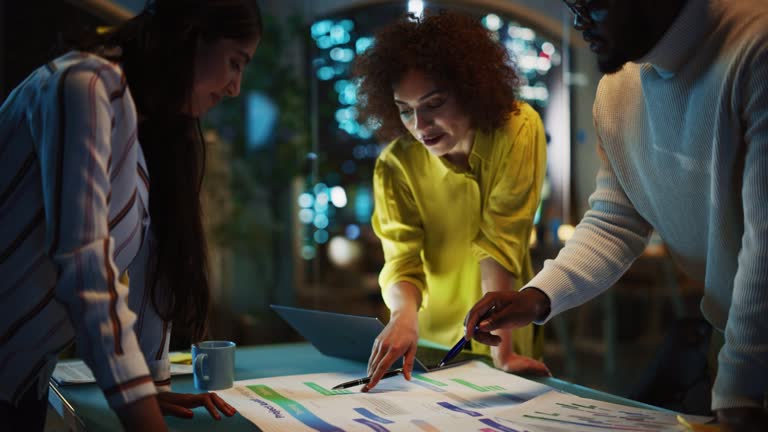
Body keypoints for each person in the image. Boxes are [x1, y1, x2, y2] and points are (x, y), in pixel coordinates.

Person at [465, 0, 768, 429]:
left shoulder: (755, 45)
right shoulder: (617, 87)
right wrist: (536, 297)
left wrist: (740, 391)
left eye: (592, 4)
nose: (577, 20)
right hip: (738, 346)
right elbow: (616, 219)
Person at [0, 0, 262, 430]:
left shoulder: (143, 125)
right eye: (235, 62)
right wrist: (140, 411)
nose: (235, 87)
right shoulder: (86, 84)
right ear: (192, 36)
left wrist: (152, 386)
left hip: (22, 384)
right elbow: (85, 266)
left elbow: (150, 264)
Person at [352, 11, 551, 392]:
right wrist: (403, 315)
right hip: (425, 344)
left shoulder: (517, 129)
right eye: (405, 110)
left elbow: (500, 242)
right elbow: (402, 262)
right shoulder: (395, 164)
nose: (420, 126)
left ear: (470, 88)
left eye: (435, 103)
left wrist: (503, 354)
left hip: (501, 335)